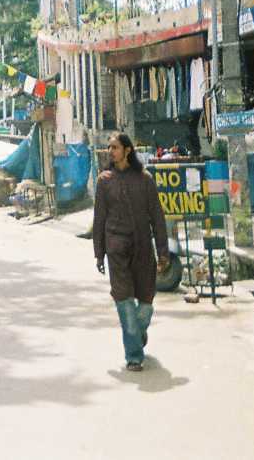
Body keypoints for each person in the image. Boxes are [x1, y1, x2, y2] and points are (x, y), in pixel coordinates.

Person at [93, 133, 169, 372]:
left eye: (114, 147)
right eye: (109, 148)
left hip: (143, 248)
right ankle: (134, 356)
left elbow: (157, 217)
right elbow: (99, 219)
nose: (110, 151)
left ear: (127, 150)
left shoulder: (145, 179)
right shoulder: (104, 181)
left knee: (146, 303)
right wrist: (99, 252)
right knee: (124, 300)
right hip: (116, 249)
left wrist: (163, 251)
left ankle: (137, 333)